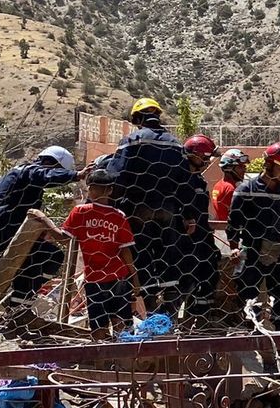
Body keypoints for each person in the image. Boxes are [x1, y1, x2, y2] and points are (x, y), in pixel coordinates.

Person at [105, 98, 189, 309]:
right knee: (167, 257)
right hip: (168, 209)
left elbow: (117, 176)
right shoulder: (175, 143)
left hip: (137, 209)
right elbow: (185, 181)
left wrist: (109, 208)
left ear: (137, 119)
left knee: (141, 257)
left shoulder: (132, 140)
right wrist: (188, 215)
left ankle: (148, 307)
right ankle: (168, 310)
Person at [47, 168, 145, 338]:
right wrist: (135, 279)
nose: (92, 191)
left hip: (95, 279)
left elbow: (63, 238)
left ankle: (103, 352)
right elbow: (126, 252)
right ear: (110, 190)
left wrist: (44, 222)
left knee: (99, 326)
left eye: (92, 188)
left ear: (91, 189)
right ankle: (122, 352)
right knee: (121, 323)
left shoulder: (80, 212)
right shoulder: (118, 216)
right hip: (118, 277)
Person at [0, 145, 80, 300]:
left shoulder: (24, 179)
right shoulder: (27, 172)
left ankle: (21, 298)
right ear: (49, 163)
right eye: (58, 170)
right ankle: (20, 303)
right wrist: (76, 175)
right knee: (46, 257)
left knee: (46, 256)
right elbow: (44, 175)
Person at [227, 141, 280, 331]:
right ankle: (252, 331)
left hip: (278, 251)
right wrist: (234, 248)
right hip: (251, 251)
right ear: (268, 164)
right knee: (248, 296)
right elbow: (233, 222)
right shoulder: (246, 190)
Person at [176, 135, 220, 320]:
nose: (207, 161)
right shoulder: (178, 180)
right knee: (183, 282)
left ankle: (200, 319)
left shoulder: (199, 181)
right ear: (193, 155)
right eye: (205, 156)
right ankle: (176, 322)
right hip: (182, 242)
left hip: (202, 240)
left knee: (209, 275)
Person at [211, 148, 249, 226]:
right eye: (240, 167)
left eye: (244, 166)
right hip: (232, 228)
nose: (244, 170)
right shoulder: (232, 189)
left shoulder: (218, 185)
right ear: (229, 168)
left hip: (223, 227)